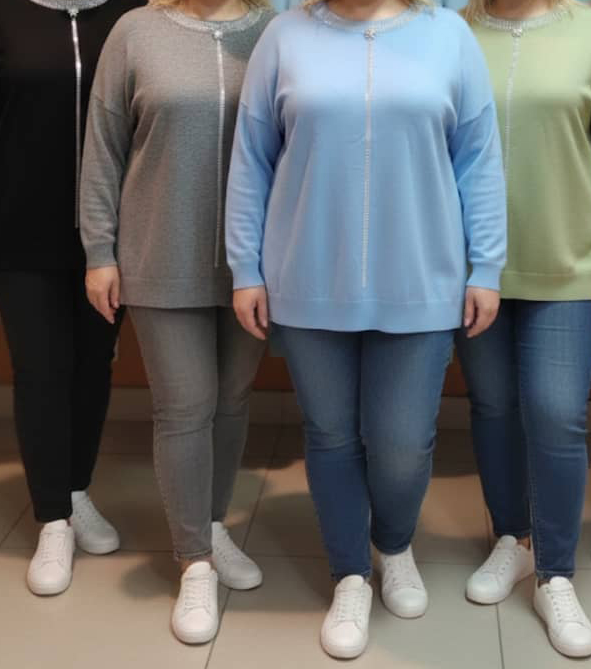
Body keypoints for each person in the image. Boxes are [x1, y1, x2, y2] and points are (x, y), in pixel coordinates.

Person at [225, 0, 506, 658]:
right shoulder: (284, 36)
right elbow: (252, 159)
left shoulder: (448, 36)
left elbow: (479, 158)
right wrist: (245, 267)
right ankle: (349, 572)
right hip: (308, 277)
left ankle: (394, 544)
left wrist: (486, 265)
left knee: (402, 444)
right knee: (329, 435)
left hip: (422, 278)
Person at [80, 0, 274, 644]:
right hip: (159, 253)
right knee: (186, 405)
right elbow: (103, 147)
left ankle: (213, 529)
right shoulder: (136, 31)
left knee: (232, 400)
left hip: (254, 264)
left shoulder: (275, 32)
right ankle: (194, 561)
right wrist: (99, 252)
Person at [457, 0, 591, 658]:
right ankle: (512, 538)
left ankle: (555, 573)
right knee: (493, 407)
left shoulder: (589, 31)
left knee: (556, 414)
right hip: (473, 269)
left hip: (568, 266)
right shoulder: (455, 32)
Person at [0, 0, 144, 597]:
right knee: (41, 370)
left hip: (110, 236)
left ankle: (75, 491)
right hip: (18, 230)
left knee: (91, 366)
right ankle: (52, 518)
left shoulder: (130, 14)